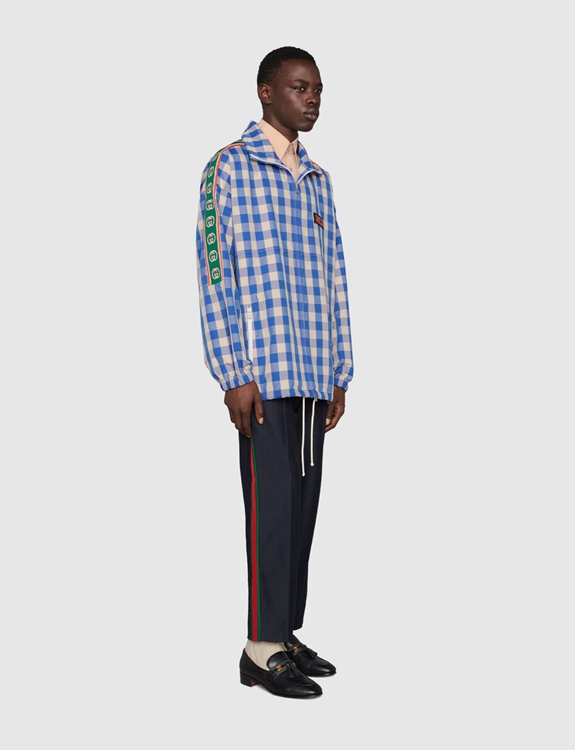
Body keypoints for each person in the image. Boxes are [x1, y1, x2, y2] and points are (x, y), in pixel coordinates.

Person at [195, 46, 354, 699]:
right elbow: (215, 270)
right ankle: (260, 649)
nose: (311, 99)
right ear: (267, 92)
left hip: (313, 374)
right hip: (261, 374)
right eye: (299, 87)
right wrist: (232, 371)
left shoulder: (318, 180)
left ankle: (284, 632)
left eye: (317, 89)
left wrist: (341, 369)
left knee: (302, 510)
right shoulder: (229, 167)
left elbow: (335, 276)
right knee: (271, 508)